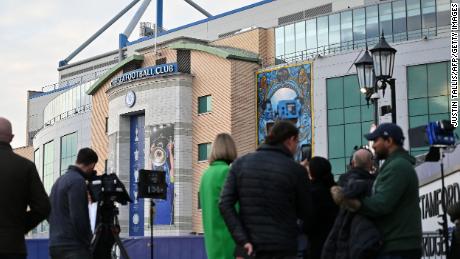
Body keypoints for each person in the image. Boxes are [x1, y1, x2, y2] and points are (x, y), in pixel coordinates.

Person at [219, 120, 312, 259]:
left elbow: (224, 203)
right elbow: (307, 213)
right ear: (290, 140)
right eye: (297, 142)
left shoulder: (240, 164)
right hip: (283, 248)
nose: (296, 147)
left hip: (250, 249)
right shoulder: (296, 170)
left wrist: (241, 238)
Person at [332, 123, 422, 259]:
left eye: (375, 140)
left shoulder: (398, 167)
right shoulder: (393, 165)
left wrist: (353, 203)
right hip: (395, 245)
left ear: (389, 141)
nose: (373, 146)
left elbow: (381, 204)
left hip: (398, 247)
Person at [0, 117, 50, 259]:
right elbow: (43, 207)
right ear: (11, 137)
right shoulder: (25, 166)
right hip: (13, 247)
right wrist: (19, 227)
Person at [323, 148, 381, 259]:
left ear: (353, 163)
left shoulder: (342, 185)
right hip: (364, 242)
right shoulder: (373, 186)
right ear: (370, 164)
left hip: (342, 242)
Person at [49, 148, 98, 259]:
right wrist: (89, 239)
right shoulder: (78, 181)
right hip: (73, 248)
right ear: (92, 165)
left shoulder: (59, 181)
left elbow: (48, 212)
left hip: (55, 245)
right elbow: (79, 217)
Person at [200, 133, 239, 259]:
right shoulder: (226, 172)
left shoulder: (205, 175)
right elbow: (237, 209)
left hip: (212, 243)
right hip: (228, 242)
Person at [305, 156, 338, 259]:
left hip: (317, 246)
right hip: (335, 243)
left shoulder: (312, 193)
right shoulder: (335, 190)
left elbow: (308, 224)